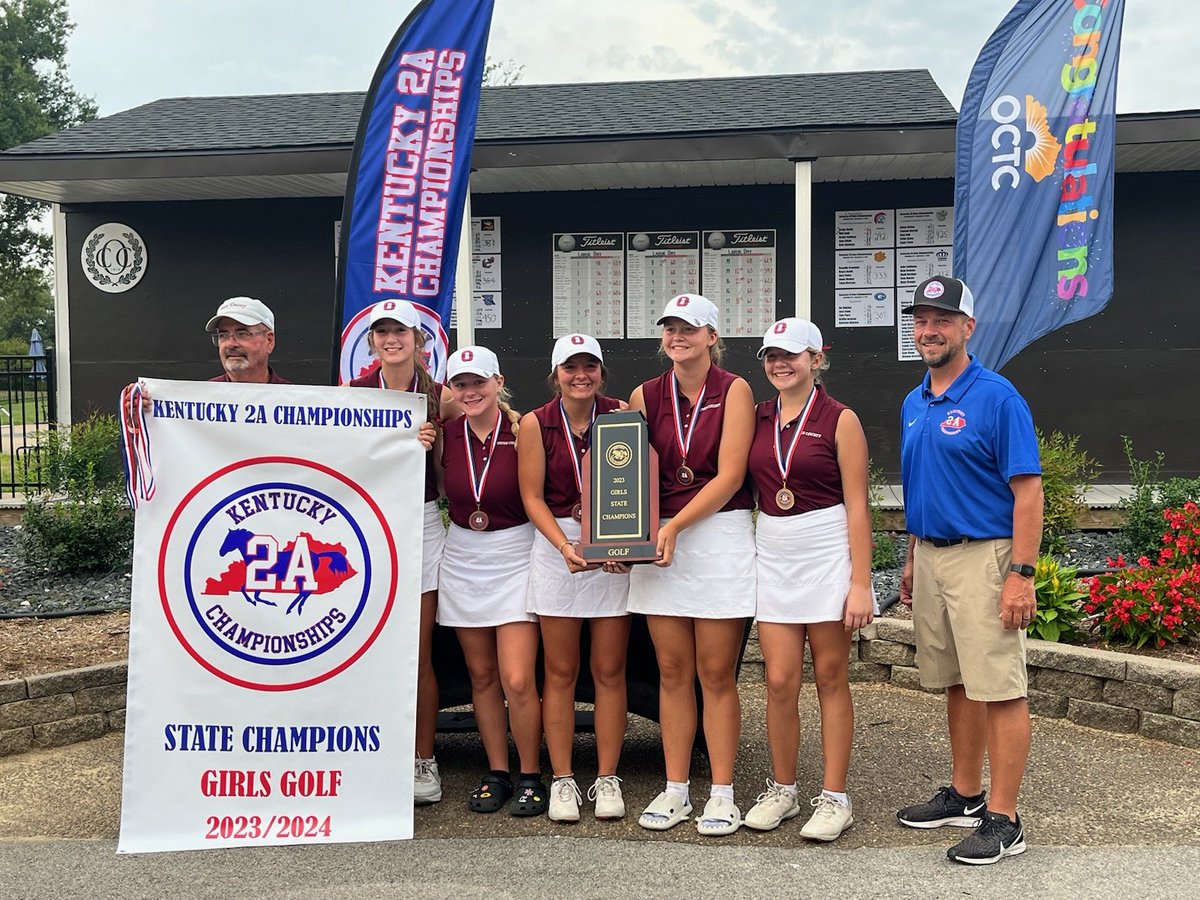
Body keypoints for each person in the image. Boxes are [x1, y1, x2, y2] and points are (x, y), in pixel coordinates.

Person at [896, 275, 1043, 866]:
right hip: (932, 555)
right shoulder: (915, 400)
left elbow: (1028, 492)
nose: (929, 330)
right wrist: (911, 558)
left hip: (986, 557)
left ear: (967, 328)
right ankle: (965, 794)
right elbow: (922, 486)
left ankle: (1005, 820)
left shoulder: (997, 397)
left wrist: (1022, 574)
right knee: (957, 681)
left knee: (1000, 688)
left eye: (942, 319)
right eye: (921, 319)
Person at [625, 294, 756, 837]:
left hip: (716, 535)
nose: (678, 336)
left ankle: (721, 793)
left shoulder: (737, 390)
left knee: (716, 674)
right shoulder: (642, 395)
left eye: (689, 328)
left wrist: (674, 526)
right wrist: (621, 537)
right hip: (660, 539)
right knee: (672, 672)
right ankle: (676, 787)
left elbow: (728, 477)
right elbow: (626, 476)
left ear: (711, 337)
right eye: (670, 328)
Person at [742, 317, 876, 841]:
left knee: (829, 676)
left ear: (817, 359)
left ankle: (835, 797)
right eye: (771, 355)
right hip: (774, 547)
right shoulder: (755, 416)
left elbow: (859, 506)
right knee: (778, 680)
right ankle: (783, 788)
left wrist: (860, 581)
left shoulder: (841, 419)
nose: (780, 364)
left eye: (791, 355)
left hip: (825, 547)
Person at [517, 333, 631, 823]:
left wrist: (625, 541)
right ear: (555, 373)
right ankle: (563, 779)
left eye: (589, 366)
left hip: (610, 543)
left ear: (601, 372)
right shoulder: (534, 422)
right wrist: (564, 546)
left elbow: (636, 485)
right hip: (557, 545)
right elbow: (532, 497)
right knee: (559, 672)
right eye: (570, 367)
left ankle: (607, 777)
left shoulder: (622, 414)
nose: (580, 375)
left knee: (609, 671)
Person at [347, 299, 456, 806]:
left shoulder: (442, 397)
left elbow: (468, 460)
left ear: (420, 341)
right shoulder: (351, 395)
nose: (392, 340)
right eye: (383, 332)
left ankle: (421, 758)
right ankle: (370, 755)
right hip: (365, 527)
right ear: (371, 342)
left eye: (402, 332)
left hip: (421, 522)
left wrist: (434, 446)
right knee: (363, 645)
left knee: (416, 652)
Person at [437, 346, 547, 817]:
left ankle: (530, 773)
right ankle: (497, 771)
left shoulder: (524, 431)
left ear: (498, 382)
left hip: (516, 551)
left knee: (518, 678)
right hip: (463, 552)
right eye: (460, 384)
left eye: (477, 382)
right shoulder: (442, 434)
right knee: (481, 675)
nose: (469, 392)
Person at [204, 296, 290, 384]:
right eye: (223, 335)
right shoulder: (203, 396)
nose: (230, 343)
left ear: (269, 341)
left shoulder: (293, 396)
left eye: (242, 334)